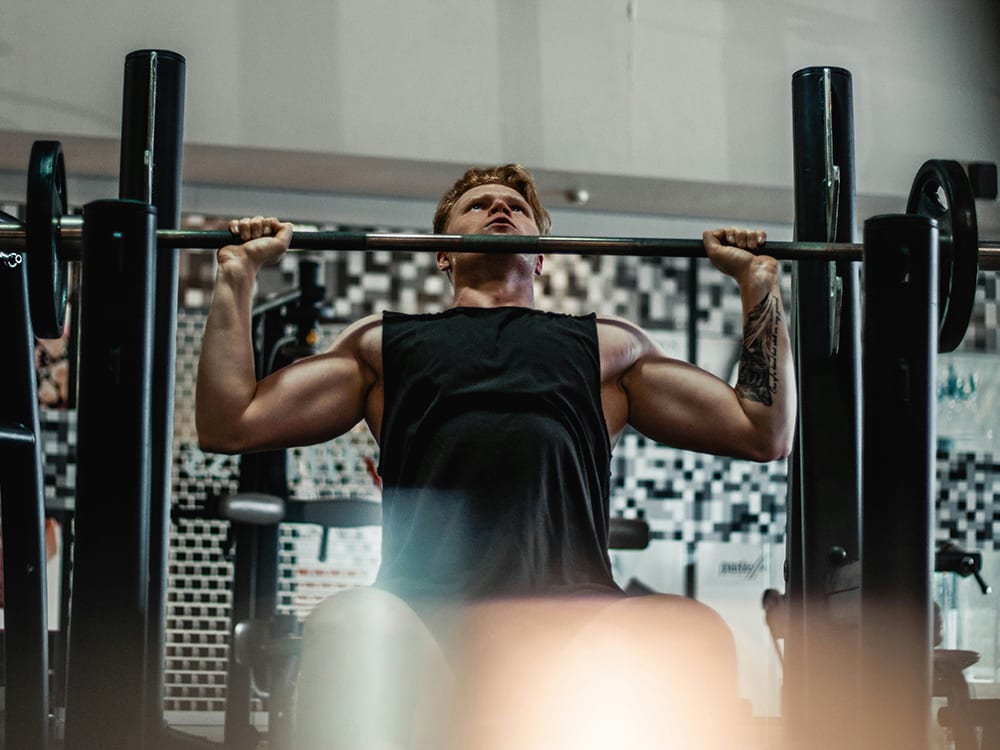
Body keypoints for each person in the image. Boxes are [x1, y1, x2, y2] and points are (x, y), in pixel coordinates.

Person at [196, 164, 796, 750]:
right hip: (420, 604)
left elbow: (760, 431)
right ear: (444, 253)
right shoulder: (383, 344)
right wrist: (237, 276)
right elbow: (230, 423)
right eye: (478, 205)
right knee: (345, 624)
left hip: (574, 603)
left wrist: (757, 284)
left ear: (540, 254)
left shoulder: (606, 347)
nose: (500, 209)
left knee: (690, 633)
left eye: (515, 207)